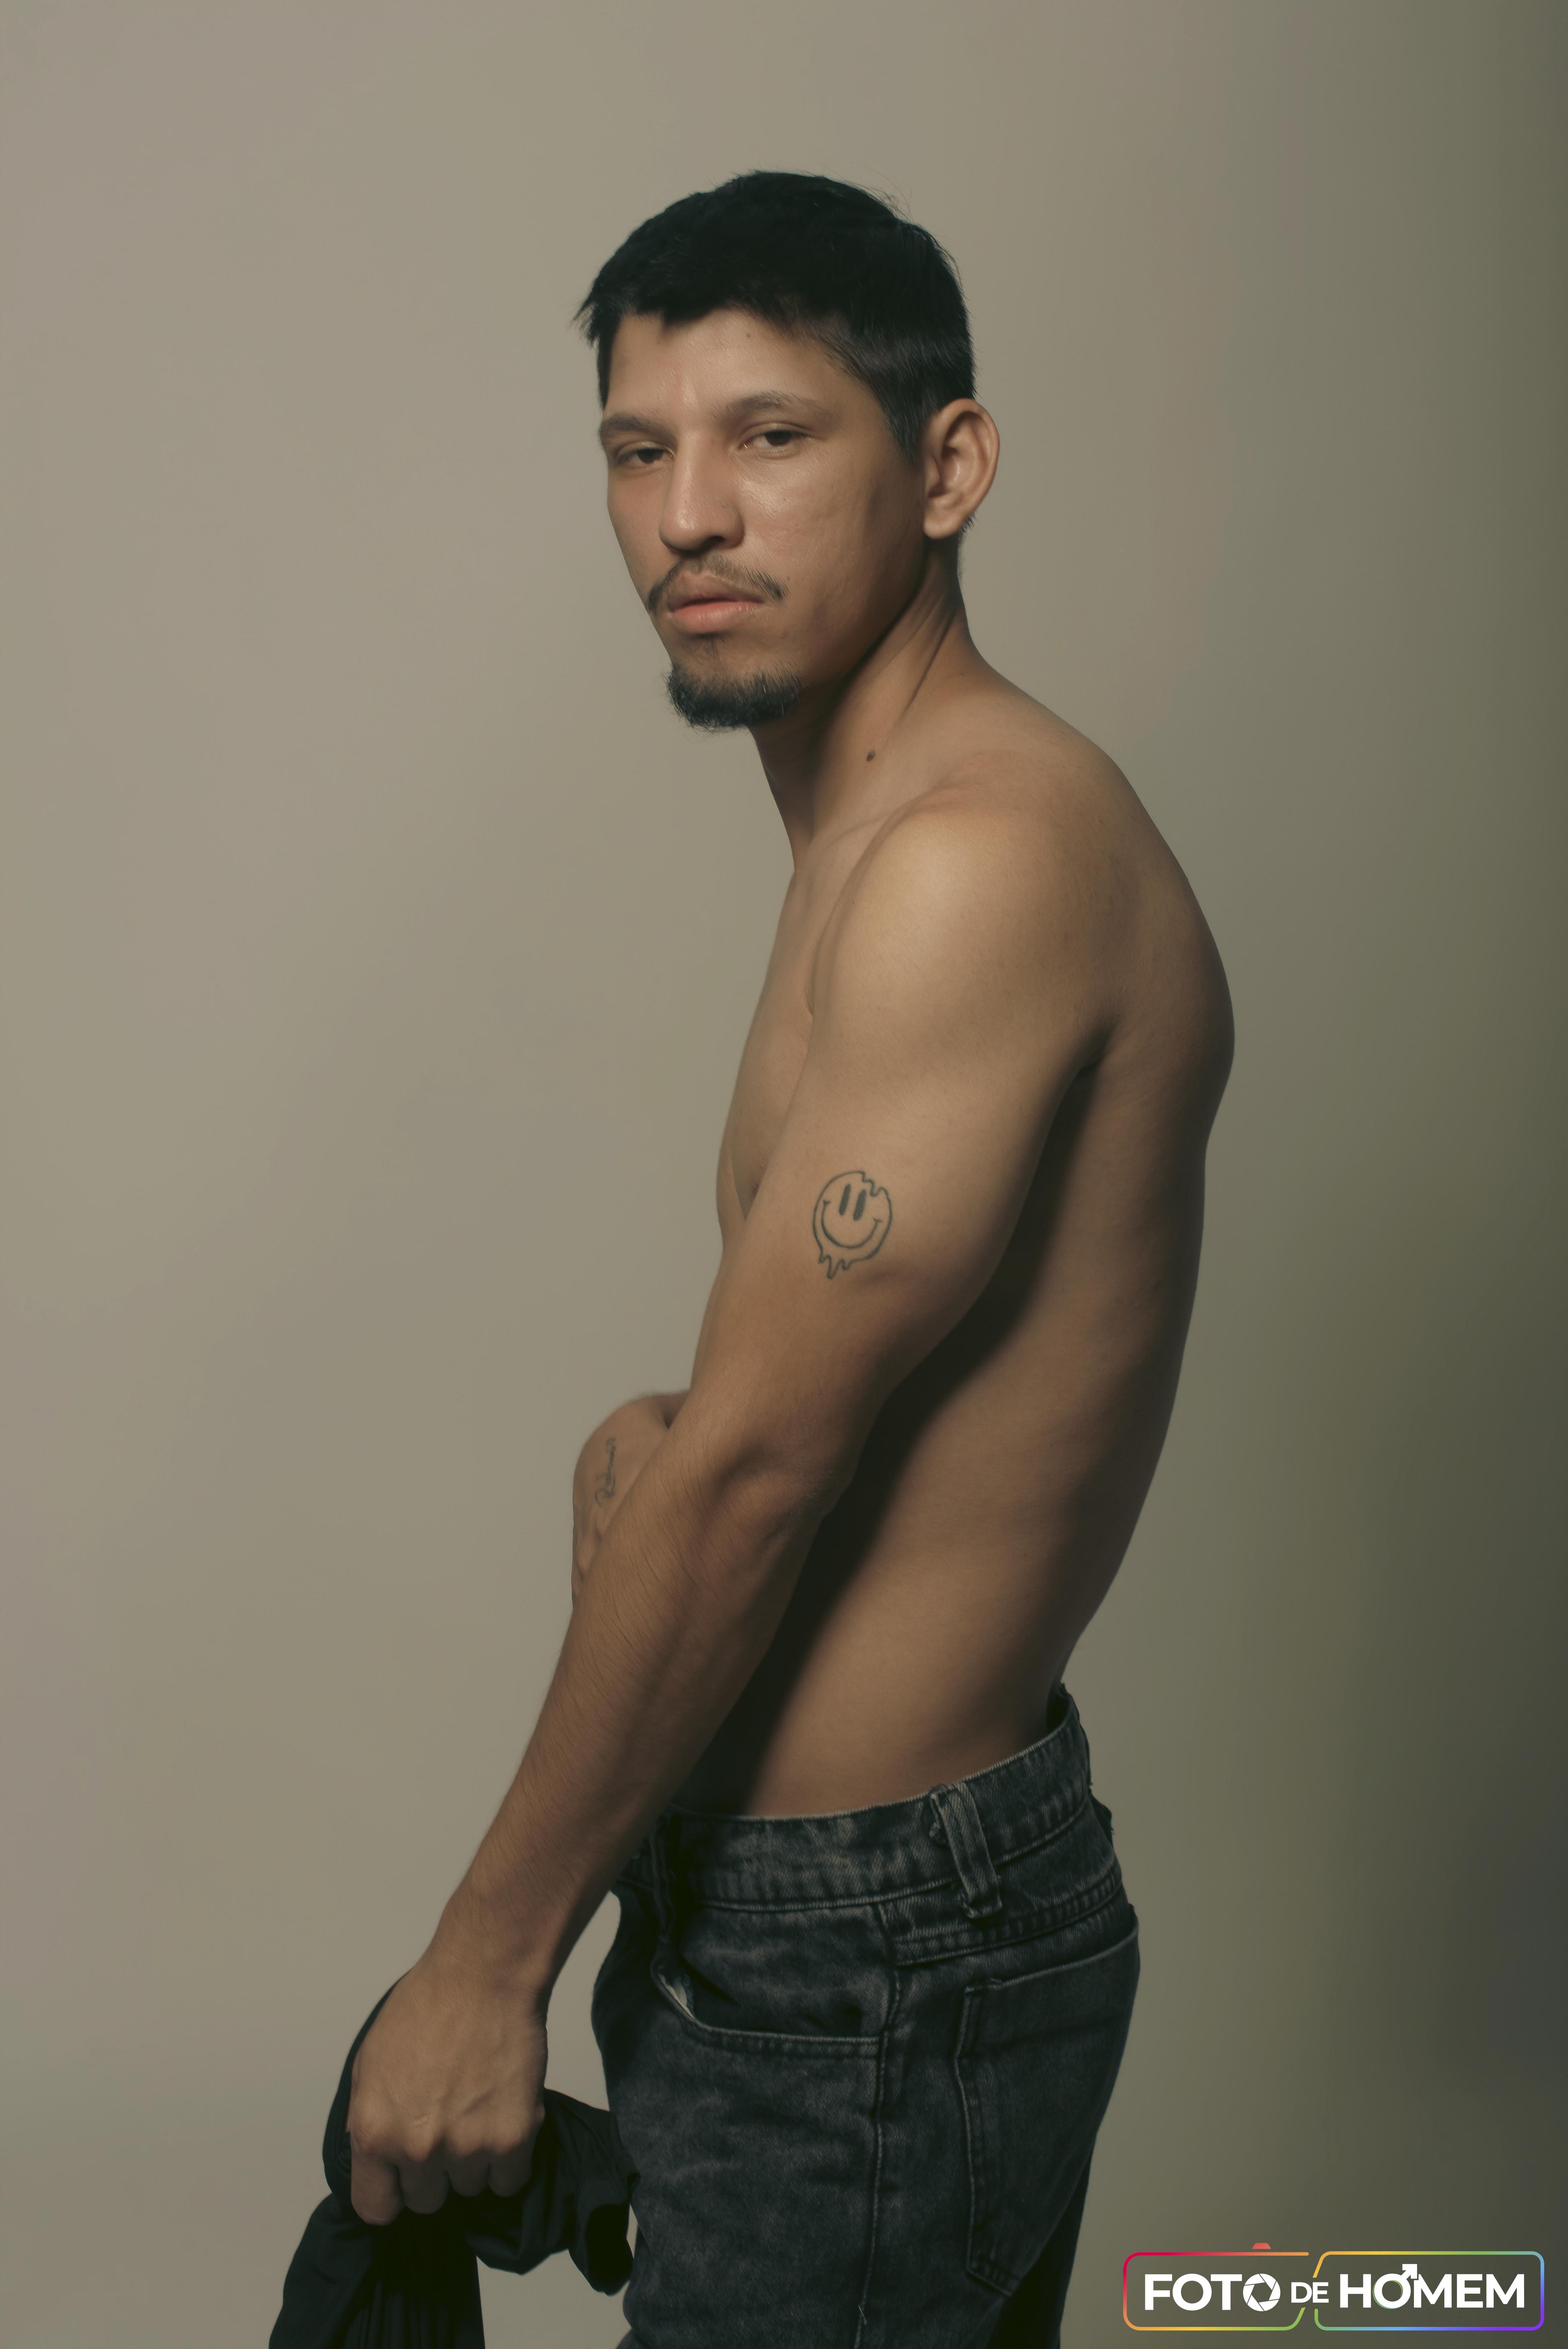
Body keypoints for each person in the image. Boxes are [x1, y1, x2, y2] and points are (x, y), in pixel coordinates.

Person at [343, 171, 1233, 2346]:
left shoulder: (973, 859)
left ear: (948, 465)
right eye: (637, 450)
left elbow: (764, 1471)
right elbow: (848, 1391)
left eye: (770, 435)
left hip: (872, 1950)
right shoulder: (878, 826)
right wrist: (674, 1429)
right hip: (852, 1920)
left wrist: (482, 1964)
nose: (688, 517)